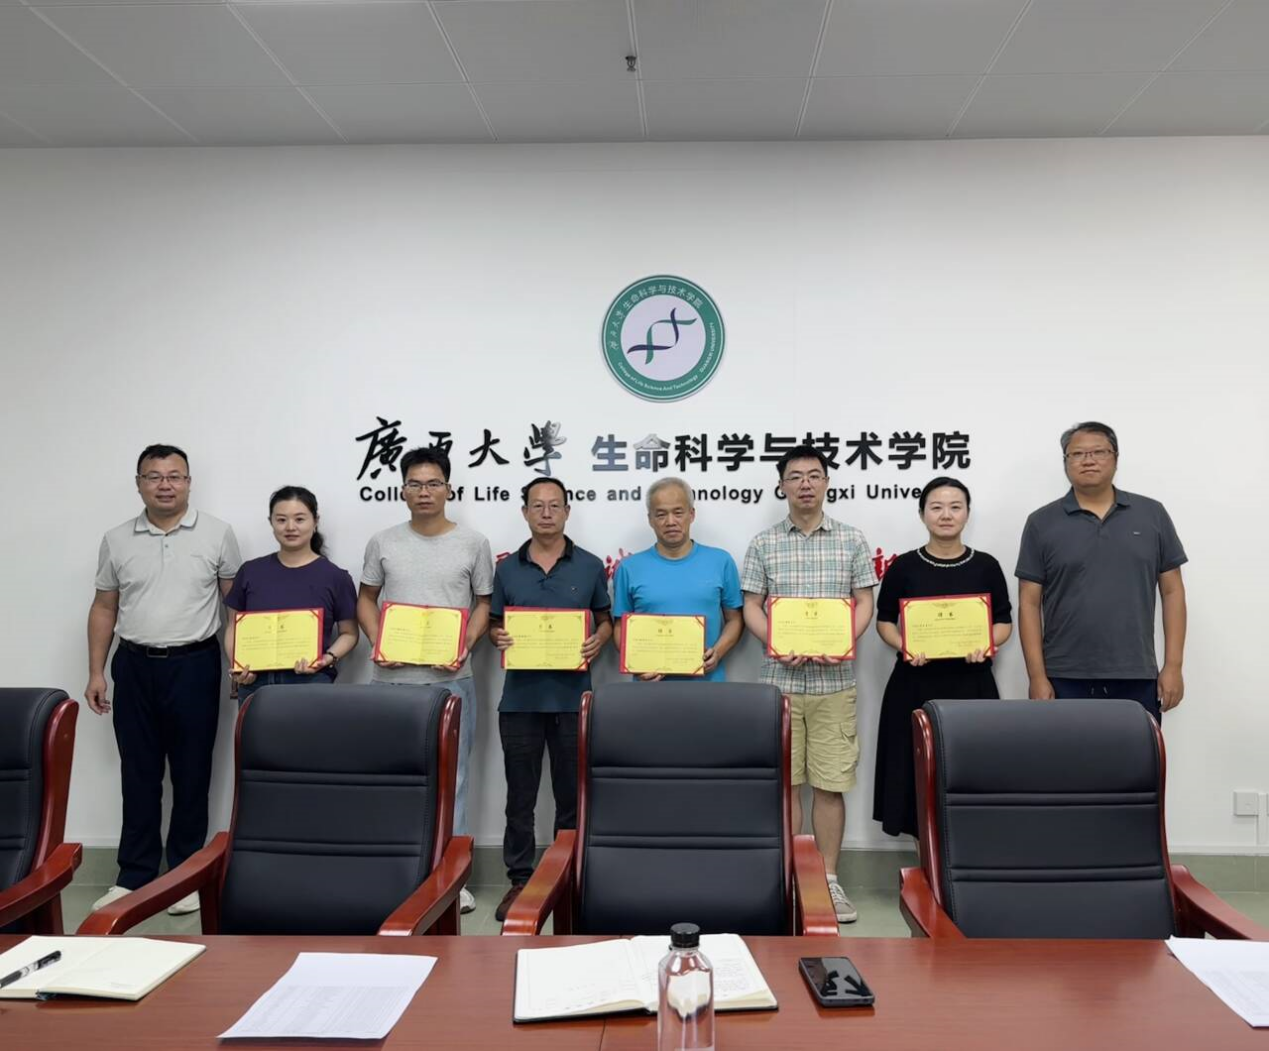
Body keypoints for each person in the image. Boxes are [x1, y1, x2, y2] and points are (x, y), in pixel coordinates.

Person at [85, 444, 241, 917]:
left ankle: (185, 876)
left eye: (175, 476)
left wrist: (239, 663)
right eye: (154, 477)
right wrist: (96, 671)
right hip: (134, 666)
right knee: (138, 772)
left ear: (189, 482)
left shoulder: (218, 533)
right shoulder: (117, 539)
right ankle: (133, 875)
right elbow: (104, 606)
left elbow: (235, 609)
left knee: (193, 772)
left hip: (195, 664)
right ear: (139, 484)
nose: (165, 485)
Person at [741, 444, 877, 924]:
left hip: (834, 683)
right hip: (779, 685)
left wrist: (842, 640)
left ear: (826, 482)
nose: (805, 484)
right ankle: (787, 878)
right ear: (782, 485)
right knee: (786, 787)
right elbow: (752, 605)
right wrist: (776, 642)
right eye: (795, 476)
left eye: (814, 475)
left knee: (829, 786)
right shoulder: (763, 543)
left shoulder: (851, 539)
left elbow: (864, 601)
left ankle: (828, 880)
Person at [357, 446, 492, 913]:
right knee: (393, 780)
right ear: (403, 490)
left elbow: (483, 604)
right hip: (390, 681)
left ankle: (452, 878)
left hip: (451, 680)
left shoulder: (473, 543)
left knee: (454, 780)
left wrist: (464, 644)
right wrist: (378, 640)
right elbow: (366, 598)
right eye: (415, 484)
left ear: (448, 488)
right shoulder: (383, 542)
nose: (424, 492)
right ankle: (393, 875)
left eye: (433, 483)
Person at [487, 478, 612, 922]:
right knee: (519, 799)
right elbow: (494, 623)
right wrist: (497, 636)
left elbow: (605, 620)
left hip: (573, 701)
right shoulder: (507, 569)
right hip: (520, 702)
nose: (546, 513)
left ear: (567, 511)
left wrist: (599, 639)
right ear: (524, 512)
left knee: (572, 798)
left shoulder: (590, 565)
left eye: (554, 505)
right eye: (537, 505)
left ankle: (569, 880)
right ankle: (520, 882)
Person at [1016, 422, 1187, 721]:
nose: (1088, 460)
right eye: (1077, 454)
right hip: (1064, 676)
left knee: (1136, 752)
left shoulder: (1152, 514)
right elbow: (1028, 603)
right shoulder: (1041, 522)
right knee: (1068, 753)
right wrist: (1037, 676)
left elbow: (1172, 592)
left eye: (1098, 452)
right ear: (1066, 462)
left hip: (1135, 672)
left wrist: (1173, 666)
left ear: (1116, 458)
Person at [873, 477, 1013, 838]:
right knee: (915, 778)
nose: (946, 515)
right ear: (922, 515)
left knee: (972, 774)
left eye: (955, 507)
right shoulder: (904, 566)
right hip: (914, 685)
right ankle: (925, 866)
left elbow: (1003, 622)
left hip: (972, 686)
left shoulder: (986, 565)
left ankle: (965, 863)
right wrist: (904, 645)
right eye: (936, 507)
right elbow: (884, 621)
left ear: (967, 513)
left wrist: (987, 644)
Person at [224, 486, 359, 703]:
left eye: (299, 519)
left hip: (311, 682)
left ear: (315, 521)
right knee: (256, 729)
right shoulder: (250, 571)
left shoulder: (336, 577)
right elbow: (233, 626)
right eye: (281, 520)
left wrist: (328, 658)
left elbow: (349, 633)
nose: (290, 527)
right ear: (271, 522)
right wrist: (239, 666)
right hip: (255, 683)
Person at [612, 477, 743, 681]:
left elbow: (735, 619)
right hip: (649, 688)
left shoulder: (721, 561)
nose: (670, 521)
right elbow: (620, 627)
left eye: (678, 512)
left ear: (692, 514)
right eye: (661, 514)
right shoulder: (629, 568)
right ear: (650, 519)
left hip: (708, 686)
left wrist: (718, 652)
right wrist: (636, 665)